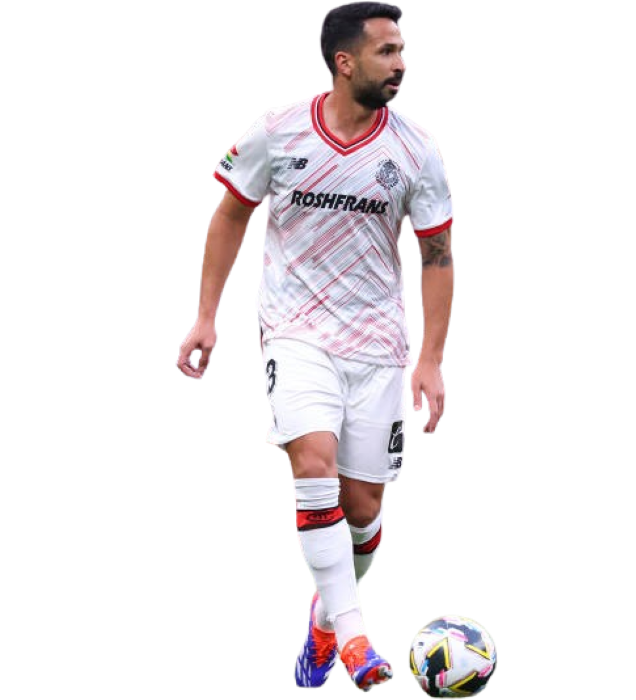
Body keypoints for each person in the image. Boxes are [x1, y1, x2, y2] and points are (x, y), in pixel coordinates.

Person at [176, 1, 454, 692]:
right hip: (294, 329)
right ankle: (357, 640)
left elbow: (438, 256)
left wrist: (430, 359)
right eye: (388, 51)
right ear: (344, 61)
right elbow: (230, 214)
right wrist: (207, 317)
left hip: (379, 343)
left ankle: (326, 619)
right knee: (312, 461)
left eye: (403, 51)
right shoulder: (277, 129)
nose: (402, 64)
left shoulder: (418, 148)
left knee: (362, 510)